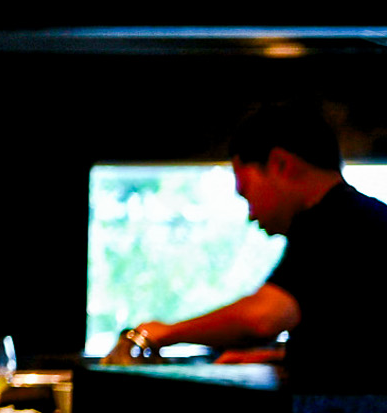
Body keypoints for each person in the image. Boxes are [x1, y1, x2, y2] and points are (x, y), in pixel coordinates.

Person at [133, 102, 387, 391]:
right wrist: (283, 358)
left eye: (246, 192)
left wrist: (163, 332)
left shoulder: (335, 222)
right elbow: (357, 346)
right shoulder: (364, 217)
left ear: (280, 164)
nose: (251, 214)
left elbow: (263, 318)